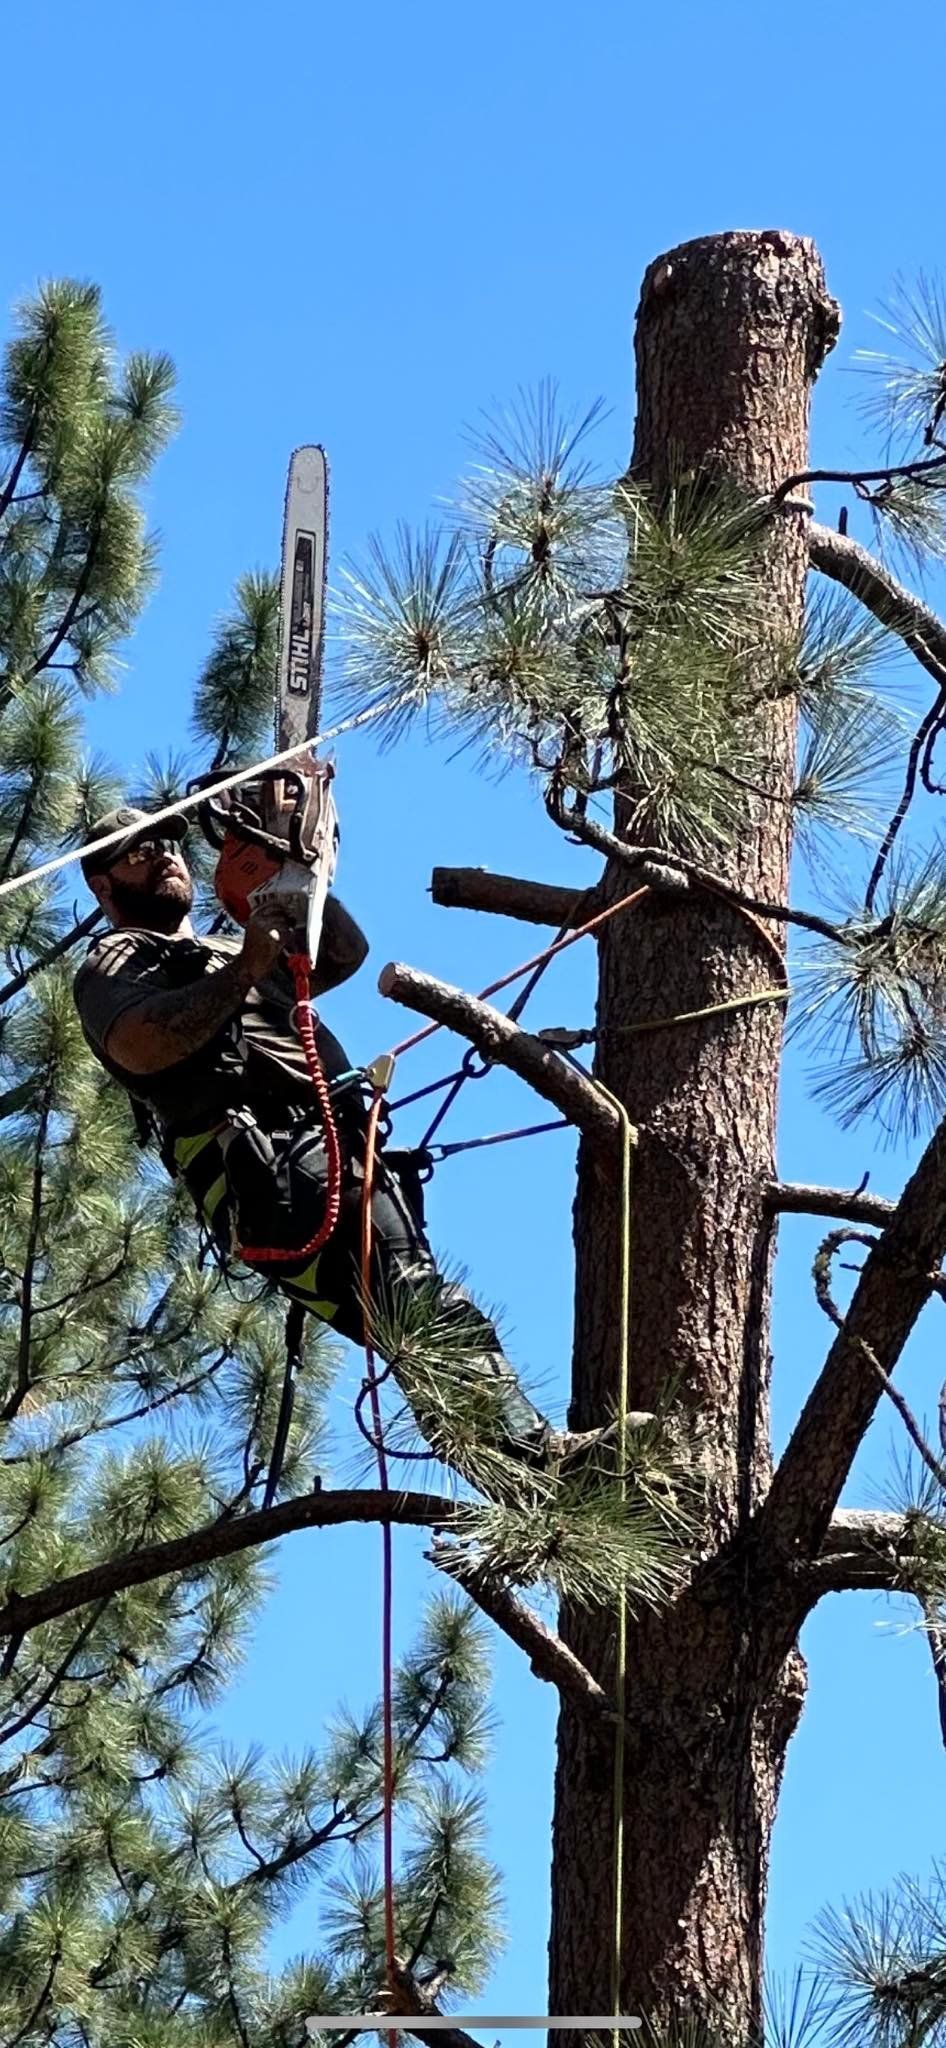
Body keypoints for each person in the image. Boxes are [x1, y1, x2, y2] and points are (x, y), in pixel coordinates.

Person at [72, 804, 617, 1475]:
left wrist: (296, 867)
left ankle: (531, 1495)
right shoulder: (120, 959)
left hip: (329, 1148)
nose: (163, 854)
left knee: (413, 1306)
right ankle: (542, 1463)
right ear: (103, 885)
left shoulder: (225, 944)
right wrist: (243, 969)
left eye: (168, 841)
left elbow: (339, 954)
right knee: (416, 1301)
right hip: (269, 1163)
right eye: (138, 851)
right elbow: (142, 1044)